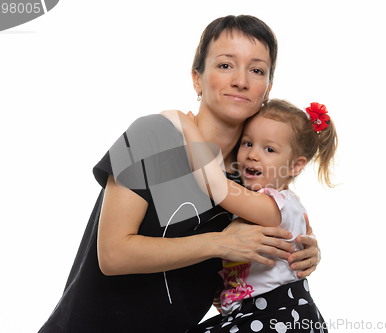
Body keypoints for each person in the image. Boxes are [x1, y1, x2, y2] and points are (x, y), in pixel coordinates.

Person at [38, 15, 321, 333]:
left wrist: (298, 254)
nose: (241, 80)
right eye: (225, 65)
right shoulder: (155, 136)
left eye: (256, 70)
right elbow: (114, 254)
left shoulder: (251, 180)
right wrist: (220, 243)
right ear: (197, 79)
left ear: (267, 88)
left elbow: (246, 268)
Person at [162, 99, 336, 333]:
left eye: (269, 149)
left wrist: (187, 127)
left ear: (295, 166)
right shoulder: (256, 203)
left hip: (276, 316)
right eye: (247, 143)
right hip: (250, 313)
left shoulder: (277, 205)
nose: (253, 154)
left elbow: (214, 184)